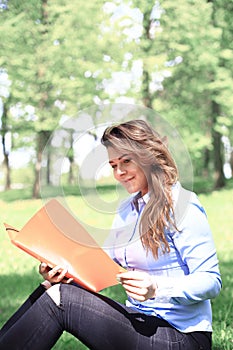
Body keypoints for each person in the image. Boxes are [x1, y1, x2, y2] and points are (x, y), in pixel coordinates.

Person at [0, 119, 221, 350]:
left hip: (181, 337)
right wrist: (62, 274)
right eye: (114, 165)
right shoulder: (127, 210)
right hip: (139, 321)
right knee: (51, 289)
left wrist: (157, 287)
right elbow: (102, 268)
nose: (120, 172)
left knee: (60, 300)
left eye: (126, 161)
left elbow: (211, 281)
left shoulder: (181, 205)